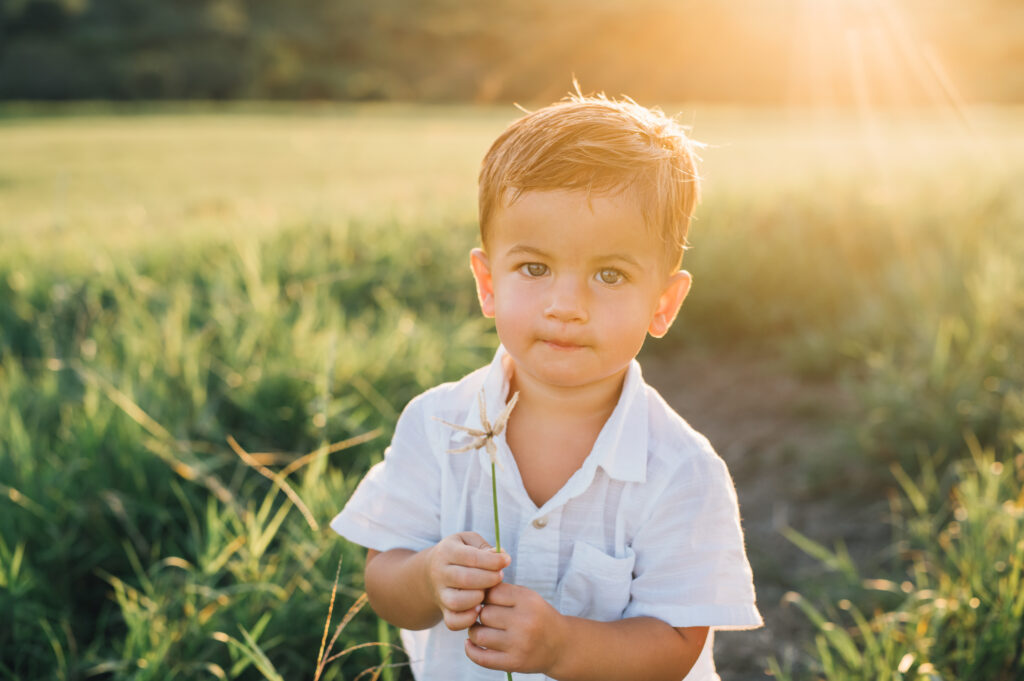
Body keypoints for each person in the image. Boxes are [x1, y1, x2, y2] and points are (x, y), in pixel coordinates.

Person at [330, 88, 762, 681]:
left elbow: (676, 643)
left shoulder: (681, 469)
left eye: (609, 275)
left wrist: (563, 647)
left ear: (664, 303)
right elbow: (384, 582)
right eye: (534, 268)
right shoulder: (436, 425)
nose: (566, 306)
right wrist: (430, 575)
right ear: (488, 282)